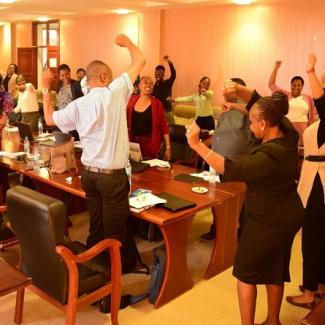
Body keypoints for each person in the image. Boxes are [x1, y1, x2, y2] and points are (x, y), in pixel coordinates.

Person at [186, 85, 304, 325]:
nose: (249, 126)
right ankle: (273, 321)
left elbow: (233, 169)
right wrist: (239, 90)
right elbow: (262, 103)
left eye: (251, 122)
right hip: (288, 213)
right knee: (274, 268)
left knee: (245, 274)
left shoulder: (268, 156)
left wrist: (197, 145)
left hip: (269, 219)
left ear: (263, 124)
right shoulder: (288, 132)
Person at [42, 34, 146, 274]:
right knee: (115, 231)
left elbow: (49, 119)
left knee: (97, 227)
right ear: (104, 77)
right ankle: (113, 278)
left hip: (89, 176)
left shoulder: (78, 105)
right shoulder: (116, 92)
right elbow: (140, 59)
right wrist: (127, 43)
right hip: (112, 177)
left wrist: (47, 88)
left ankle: (94, 268)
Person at [286, 53, 325, 309]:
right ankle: (319, 284)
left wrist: (310, 71)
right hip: (315, 178)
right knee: (320, 236)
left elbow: (322, 102)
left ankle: (310, 292)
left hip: (319, 183)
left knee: (312, 238)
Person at [200, 77, 253, 241]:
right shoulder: (223, 113)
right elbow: (219, 134)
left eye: (227, 88)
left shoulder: (248, 111)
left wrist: (237, 104)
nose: (223, 91)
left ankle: (241, 234)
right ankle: (216, 228)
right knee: (217, 200)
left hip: (238, 165)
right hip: (218, 163)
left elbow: (256, 113)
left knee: (240, 203)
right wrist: (201, 145)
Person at [268, 60, 316, 146]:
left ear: (302, 86)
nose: (296, 87)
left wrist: (311, 134)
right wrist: (276, 68)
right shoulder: (285, 95)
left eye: (299, 85)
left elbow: (312, 118)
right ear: (291, 85)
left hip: (303, 131)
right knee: (287, 151)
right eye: (294, 85)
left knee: (301, 154)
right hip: (287, 129)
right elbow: (271, 85)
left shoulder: (308, 98)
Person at [127, 76, 171, 160]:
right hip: (133, 142)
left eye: (151, 84)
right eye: (146, 82)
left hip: (150, 144)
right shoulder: (131, 100)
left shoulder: (157, 104)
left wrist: (168, 148)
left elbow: (164, 127)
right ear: (139, 85)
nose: (149, 85)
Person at [56, 64, 84, 140]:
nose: (65, 77)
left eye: (67, 74)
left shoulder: (76, 85)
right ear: (59, 76)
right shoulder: (59, 85)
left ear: (70, 73)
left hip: (72, 122)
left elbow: (82, 102)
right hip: (60, 121)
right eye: (62, 75)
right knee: (60, 144)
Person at [152, 55, 176, 125]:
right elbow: (153, 95)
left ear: (163, 74)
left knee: (172, 130)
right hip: (158, 111)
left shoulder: (167, 83)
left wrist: (169, 62)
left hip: (167, 111)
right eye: (156, 73)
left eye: (160, 73)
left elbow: (173, 75)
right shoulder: (155, 85)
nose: (158, 74)